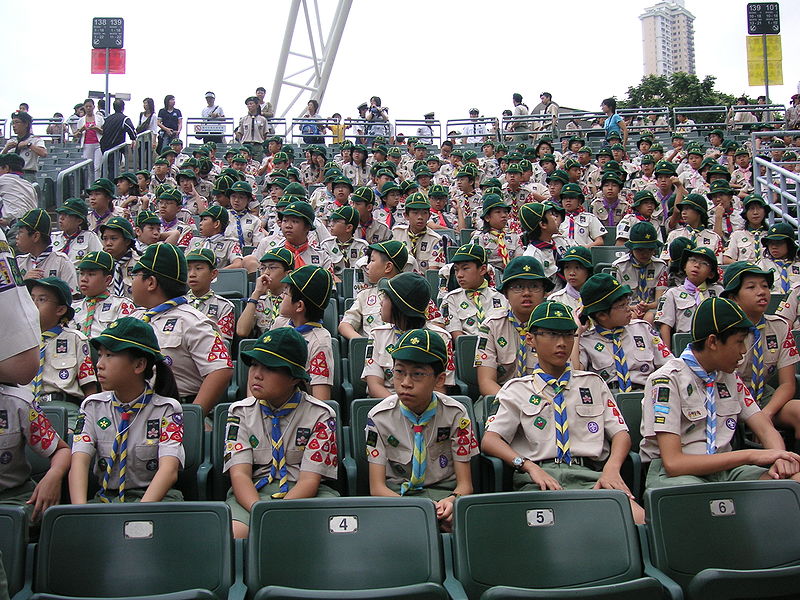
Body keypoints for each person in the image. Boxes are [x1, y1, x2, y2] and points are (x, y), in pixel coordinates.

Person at [482, 301, 644, 523]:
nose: (561, 343)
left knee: (639, 520)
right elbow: (491, 440)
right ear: (530, 339)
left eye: (568, 335)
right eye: (551, 334)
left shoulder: (592, 383)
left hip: (591, 478)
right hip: (538, 481)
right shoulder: (516, 390)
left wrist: (612, 468)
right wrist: (527, 466)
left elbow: (620, 433)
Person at [640, 297, 800, 487]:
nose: (743, 351)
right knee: (703, 500)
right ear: (713, 342)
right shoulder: (667, 380)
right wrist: (752, 455)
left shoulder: (728, 376)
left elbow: (764, 427)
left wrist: (779, 457)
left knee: (792, 481)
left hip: (726, 469)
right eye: (739, 342)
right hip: (678, 475)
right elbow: (674, 463)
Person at [224, 327, 339, 538]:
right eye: (254, 365)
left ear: (294, 377)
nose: (257, 374)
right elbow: (240, 475)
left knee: (314, 535)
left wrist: (277, 514)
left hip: (305, 495)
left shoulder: (320, 416)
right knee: (236, 533)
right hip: (253, 493)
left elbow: (309, 481)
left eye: (269, 368)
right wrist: (260, 511)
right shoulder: (239, 413)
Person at [366, 328, 477, 531]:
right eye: (399, 372)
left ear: (439, 380)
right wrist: (419, 509)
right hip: (398, 499)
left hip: (444, 496)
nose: (405, 383)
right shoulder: (379, 417)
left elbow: (465, 485)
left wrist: (451, 501)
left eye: (417, 374)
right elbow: (377, 487)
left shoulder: (456, 414)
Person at [69, 318, 185, 504]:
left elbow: (168, 471)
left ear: (139, 365)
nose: (99, 364)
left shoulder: (166, 410)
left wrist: (134, 515)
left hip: (155, 500)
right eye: (100, 355)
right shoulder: (92, 407)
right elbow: (79, 463)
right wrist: (81, 512)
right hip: (106, 498)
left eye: (110, 355)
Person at [130, 243, 233, 414]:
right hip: (133, 411)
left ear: (150, 282)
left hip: (174, 409)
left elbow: (220, 370)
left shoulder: (192, 321)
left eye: (135, 275)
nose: (131, 281)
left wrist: (191, 417)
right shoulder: (134, 319)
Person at [362, 272, 454, 398]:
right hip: (385, 405)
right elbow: (374, 386)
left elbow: (439, 389)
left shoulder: (441, 338)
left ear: (400, 306)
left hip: (427, 408)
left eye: (386, 298)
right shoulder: (377, 335)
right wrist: (401, 409)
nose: (381, 303)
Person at [579, 273, 671, 393]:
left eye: (627, 303)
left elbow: (669, 366)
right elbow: (576, 376)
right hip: (609, 401)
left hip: (646, 395)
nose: (629, 309)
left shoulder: (643, 329)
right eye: (622, 306)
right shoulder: (586, 341)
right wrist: (576, 333)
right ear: (601, 315)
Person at [475, 256, 552, 397]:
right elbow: (486, 382)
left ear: (544, 292)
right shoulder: (491, 326)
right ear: (505, 293)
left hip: (546, 397)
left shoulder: (553, 326)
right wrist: (514, 404)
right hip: (501, 397)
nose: (526, 293)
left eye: (534, 286)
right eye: (518, 287)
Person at [655, 245, 723, 350]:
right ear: (684, 266)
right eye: (692, 260)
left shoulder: (719, 292)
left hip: (715, 344)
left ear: (711, 273)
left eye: (704, 263)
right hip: (685, 343)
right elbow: (665, 326)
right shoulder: (672, 293)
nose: (696, 265)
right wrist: (667, 354)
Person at [441, 244, 506, 339]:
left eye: (465, 268)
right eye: (456, 270)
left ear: (483, 269)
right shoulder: (451, 299)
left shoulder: (501, 297)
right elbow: (458, 338)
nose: (459, 275)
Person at [72, 250, 136, 339]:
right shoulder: (73, 308)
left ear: (107, 280)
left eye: (91, 274)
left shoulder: (122, 305)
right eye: (82, 273)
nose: (84, 279)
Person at [612, 222, 667, 322]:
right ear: (631, 248)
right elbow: (616, 299)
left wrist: (647, 306)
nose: (645, 254)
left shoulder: (660, 267)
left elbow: (660, 300)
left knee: (649, 318)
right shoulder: (619, 266)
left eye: (650, 250)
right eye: (640, 250)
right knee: (631, 318)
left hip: (652, 308)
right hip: (627, 307)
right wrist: (633, 308)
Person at [15, 209, 77, 293]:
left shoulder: (62, 262)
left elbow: (73, 297)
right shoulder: (18, 263)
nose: (16, 237)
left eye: (20, 232)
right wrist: (24, 283)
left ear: (35, 236)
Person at [238, 248, 294, 338]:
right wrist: (256, 293)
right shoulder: (257, 301)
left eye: (272, 268)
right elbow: (242, 331)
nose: (266, 273)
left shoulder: (295, 302)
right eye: (263, 268)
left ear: (288, 274)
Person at [184, 249, 236, 344]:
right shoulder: (178, 303)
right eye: (188, 269)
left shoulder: (224, 306)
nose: (192, 274)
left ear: (213, 274)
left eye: (198, 268)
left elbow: (222, 343)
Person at [391, 193, 446, 273]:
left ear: (429, 216)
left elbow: (433, 272)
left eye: (424, 213)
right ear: (406, 215)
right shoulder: (397, 233)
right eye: (415, 213)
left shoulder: (436, 240)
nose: (420, 217)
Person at [185, 205, 243, 270]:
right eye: (201, 220)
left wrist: (214, 275)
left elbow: (237, 264)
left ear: (216, 224)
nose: (200, 223)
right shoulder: (194, 241)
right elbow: (183, 262)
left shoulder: (230, 244)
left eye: (204, 219)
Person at [0, 152, 38, 244]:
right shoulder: (29, 185)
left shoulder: (4, 179)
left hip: (17, 228)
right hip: (34, 228)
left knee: (10, 257)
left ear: (7, 168)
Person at [547, 246, 593, 317]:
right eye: (567, 267)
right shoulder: (556, 300)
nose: (572, 273)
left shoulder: (598, 297)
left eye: (577, 267)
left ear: (588, 270)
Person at [756, 222, 800, 294]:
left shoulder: (798, 264)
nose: (774, 247)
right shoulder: (762, 265)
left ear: (789, 244)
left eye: (779, 243)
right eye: (770, 243)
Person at [2, 111, 47, 177]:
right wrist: (6, 149)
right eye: (13, 123)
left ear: (26, 124)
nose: (14, 126)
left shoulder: (35, 140)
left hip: (27, 174)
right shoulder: (11, 142)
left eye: (17, 122)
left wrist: (29, 145)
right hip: (10, 175)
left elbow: (44, 153)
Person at [75, 99, 104, 179]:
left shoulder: (99, 118)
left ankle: (97, 184)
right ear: (84, 107)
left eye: (90, 106)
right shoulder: (81, 120)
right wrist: (82, 129)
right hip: (87, 145)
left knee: (97, 167)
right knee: (89, 168)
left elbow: (103, 132)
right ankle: (90, 186)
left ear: (93, 107)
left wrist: (96, 128)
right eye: (86, 106)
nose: (88, 108)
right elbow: (76, 135)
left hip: (98, 144)